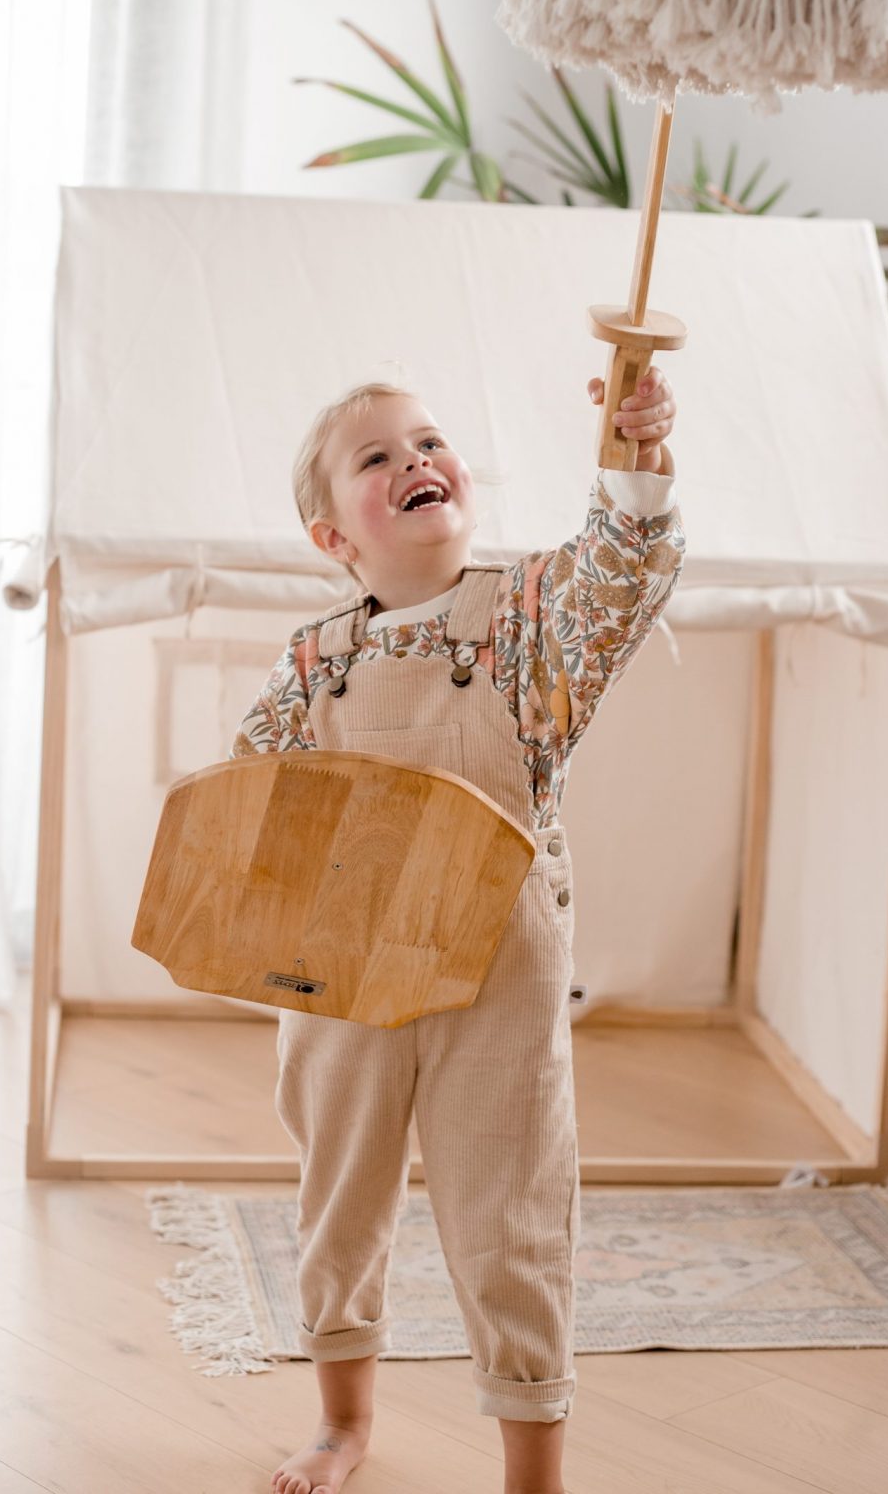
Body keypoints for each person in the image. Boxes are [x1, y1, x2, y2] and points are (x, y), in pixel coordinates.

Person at [231, 369, 685, 1494]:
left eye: (428, 441)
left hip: (500, 965)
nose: (413, 461)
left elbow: (623, 570)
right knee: (339, 1195)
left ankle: (534, 1467)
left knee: (513, 1210)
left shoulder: (535, 616)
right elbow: (254, 805)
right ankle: (343, 1425)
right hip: (346, 970)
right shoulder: (311, 661)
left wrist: (637, 457)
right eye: (377, 457)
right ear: (335, 533)